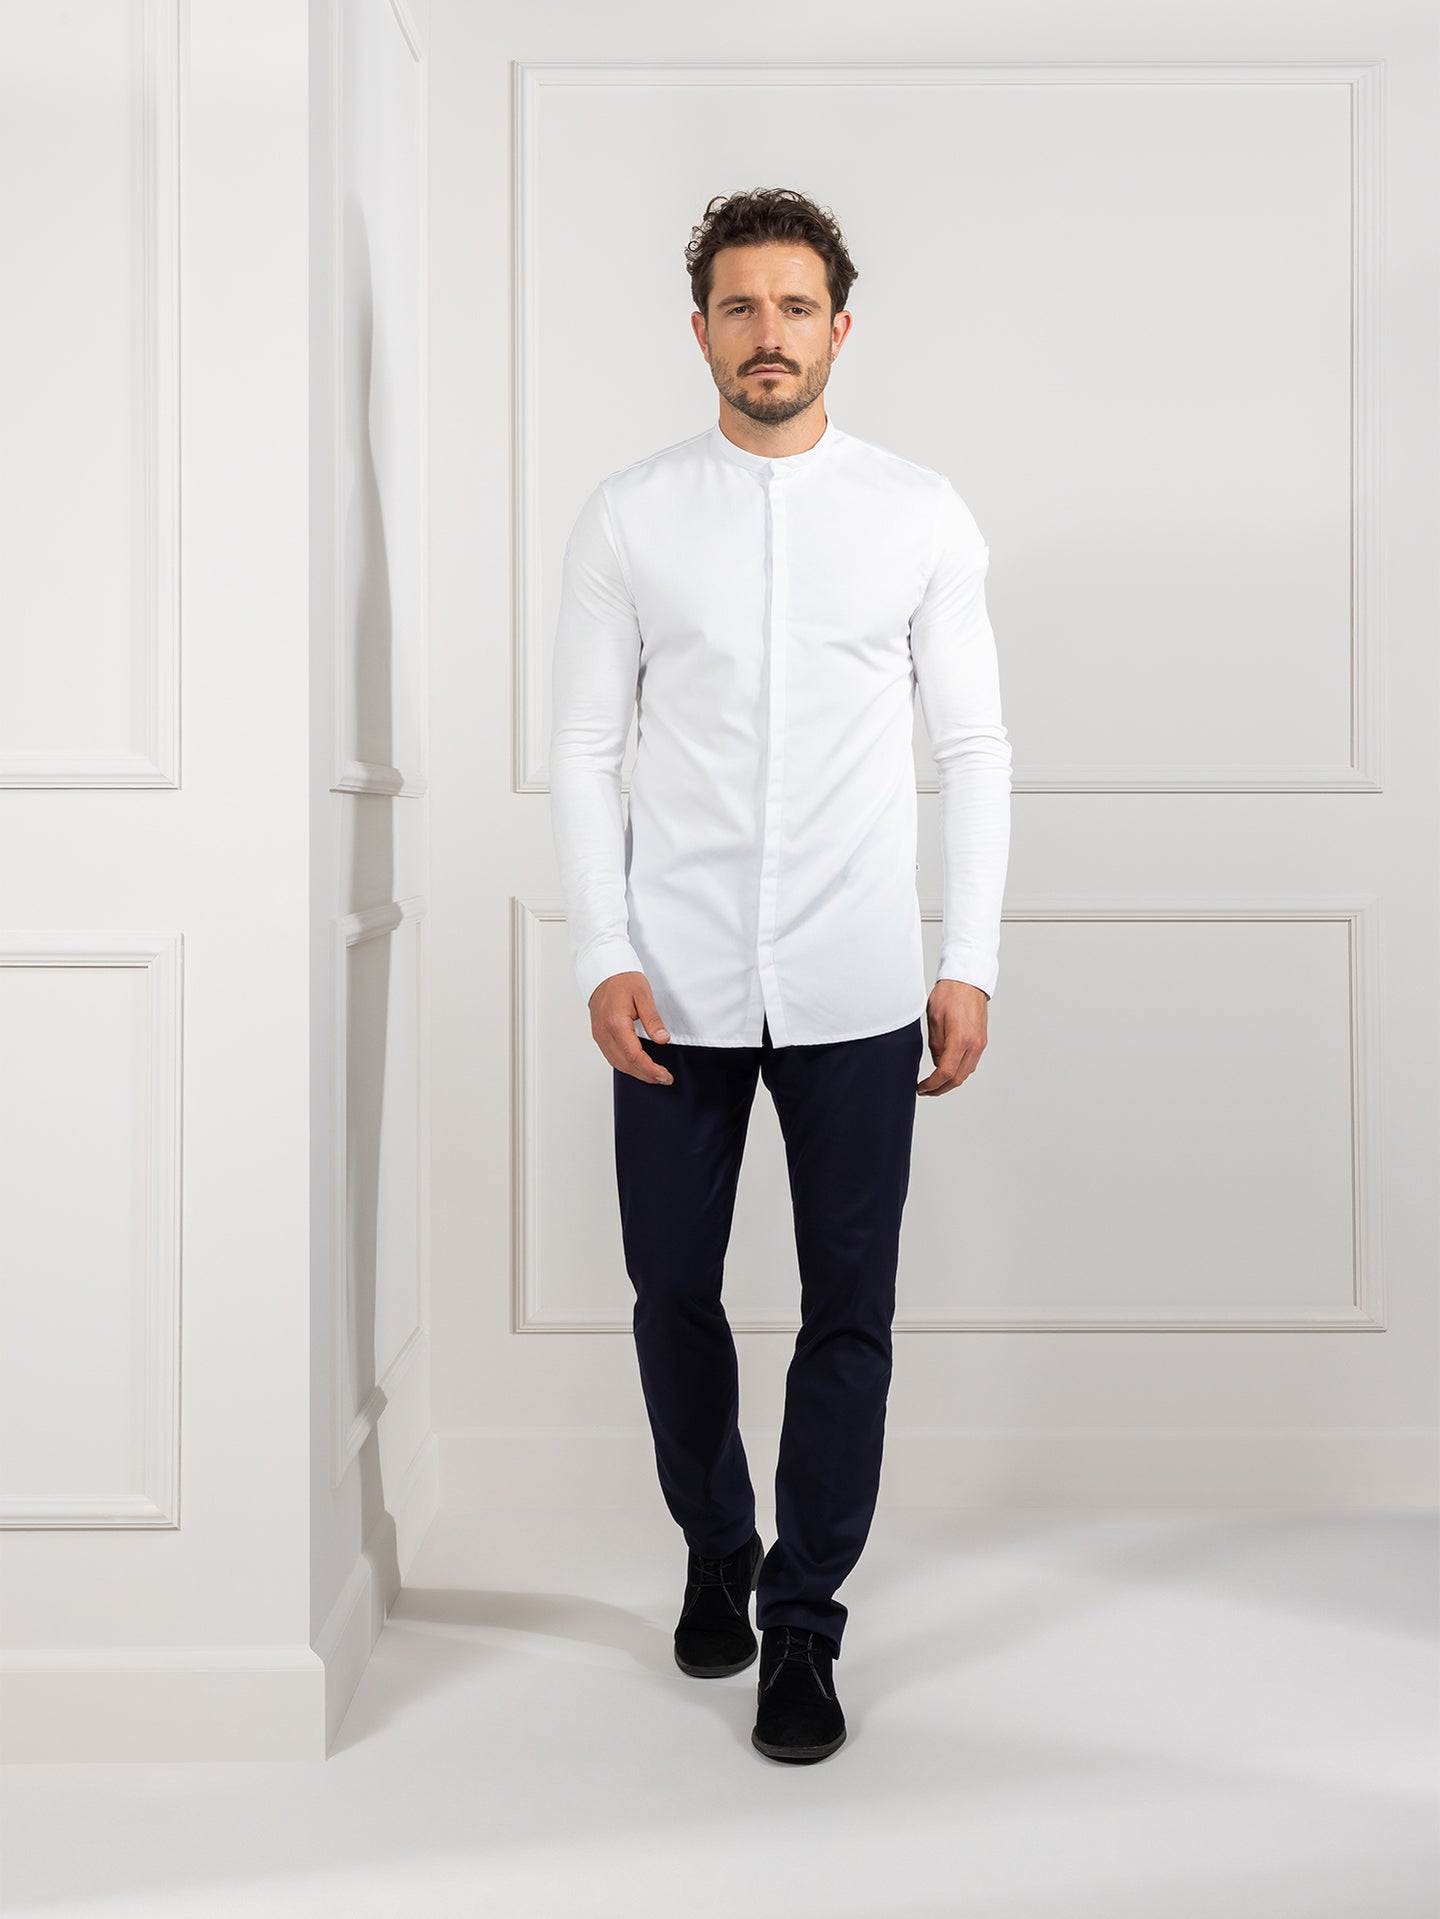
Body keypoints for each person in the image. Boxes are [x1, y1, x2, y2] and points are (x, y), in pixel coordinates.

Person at [547, 186, 1012, 1764]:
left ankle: (803, 1621)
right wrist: (603, 949)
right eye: (741, 307)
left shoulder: (920, 515)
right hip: (674, 979)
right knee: (671, 1288)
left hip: (858, 981)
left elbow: (973, 746)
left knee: (848, 1309)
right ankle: (715, 1542)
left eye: (795, 307)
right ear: (700, 331)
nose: (769, 334)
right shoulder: (630, 516)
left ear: (839, 330)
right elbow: (584, 746)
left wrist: (967, 960)